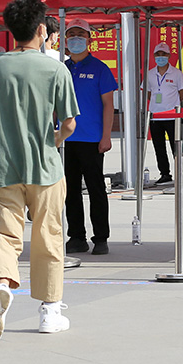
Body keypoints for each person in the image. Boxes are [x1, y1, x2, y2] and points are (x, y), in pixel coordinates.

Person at [0, 0, 79, 342]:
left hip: (1, 166)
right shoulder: (55, 68)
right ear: (42, 29)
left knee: (5, 235)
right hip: (44, 166)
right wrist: (55, 140)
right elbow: (70, 123)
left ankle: (2, 284)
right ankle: (49, 310)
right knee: (48, 236)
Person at [63, 18, 117, 255]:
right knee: (70, 190)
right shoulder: (61, 68)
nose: (76, 38)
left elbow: (108, 105)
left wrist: (106, 136)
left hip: (92, 139)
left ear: (89, 39)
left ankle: (101, 238)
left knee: (96, 189)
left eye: (80, 34)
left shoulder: (100, 68)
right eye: (71, 34)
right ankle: (76, 236)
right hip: (65, 139)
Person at [145, 41, 183, 185]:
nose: (160, 57)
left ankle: (182, 172)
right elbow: (148, 93)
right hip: (156, 116)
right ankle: (165, 174)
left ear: (168, 55)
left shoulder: (176, 73)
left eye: (163, 54)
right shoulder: (150, 74)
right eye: (158, 54)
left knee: (177, 146)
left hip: (173, 115)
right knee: (159, 147)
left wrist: (171, 104)